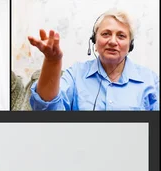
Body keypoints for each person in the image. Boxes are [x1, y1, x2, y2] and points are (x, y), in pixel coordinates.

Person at [28, 9, 159, 111]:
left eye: (121, 36)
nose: (113, 41)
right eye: (106, 34)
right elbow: (45, 109)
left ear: (130, 44)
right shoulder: (76, 74)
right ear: (94, 41)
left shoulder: (150, 80)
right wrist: (52, 61)